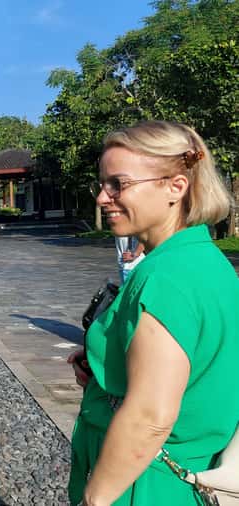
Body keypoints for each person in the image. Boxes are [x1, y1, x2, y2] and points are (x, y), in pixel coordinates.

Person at [67, 121, 239, 505]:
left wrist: (94, 500)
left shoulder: (166, 276)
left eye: (119, 184)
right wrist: (103, 364)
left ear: (175, 187)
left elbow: (149, 417)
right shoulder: (205, 261)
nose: (102, 197)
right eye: (102, 184)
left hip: (144, 484)